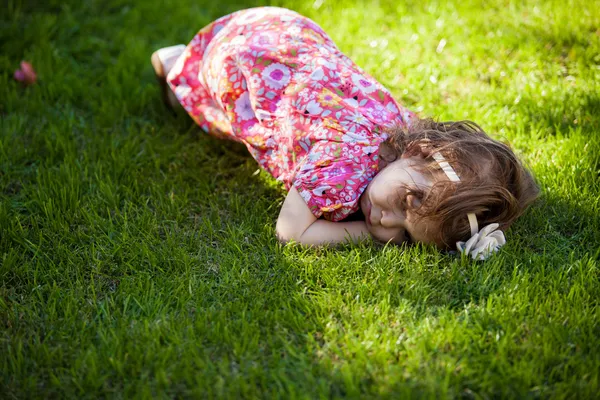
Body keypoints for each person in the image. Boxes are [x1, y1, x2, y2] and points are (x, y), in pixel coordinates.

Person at [150, 7, 539, 259]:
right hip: (241, 59)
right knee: (232, 116)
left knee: (267, 107)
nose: (385, 223)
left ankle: (180, 57)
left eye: (403, 236)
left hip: (285, 30)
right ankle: (175, 71)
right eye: (405, 204)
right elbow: (291, 232)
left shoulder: (404, 129)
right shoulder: (341, 168)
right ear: (419, 151)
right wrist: (364, 237)